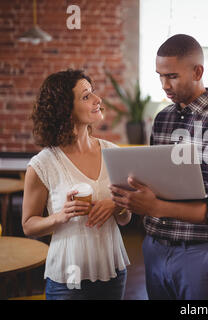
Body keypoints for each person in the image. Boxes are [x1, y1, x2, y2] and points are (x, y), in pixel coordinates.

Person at [110, 34, 208, 300]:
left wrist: (156, 207)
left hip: (199, 254)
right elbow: (153, 182)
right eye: (160, 75)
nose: (164, 85)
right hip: (154, 247)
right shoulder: (162, 119)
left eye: (172, 76)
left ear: (198, 71)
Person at [22, 69, 132, 300]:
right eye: (86, 96)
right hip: (66, 279)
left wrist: (115, 206)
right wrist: (59, 216)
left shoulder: (113, 153)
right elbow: (28, 226)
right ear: (65, 109)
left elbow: (125, 218)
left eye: (93, 93)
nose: (97, 100)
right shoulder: (43, 164)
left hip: (112, 270)